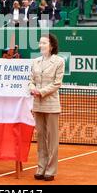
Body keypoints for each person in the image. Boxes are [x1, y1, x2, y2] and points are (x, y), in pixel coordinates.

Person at [29, 34, 64, 182]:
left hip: (51, 104)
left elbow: (57, 83)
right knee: (41, 137)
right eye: (40, 43)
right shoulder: (35, 62)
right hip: (37, 104)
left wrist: (41, 92)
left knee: (52, 139)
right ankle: (41, 167)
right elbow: (30, 80)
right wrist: (32, 88)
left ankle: (51, 170)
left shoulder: (59, 61)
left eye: (44, 43)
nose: (41, 45)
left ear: (51, 46)